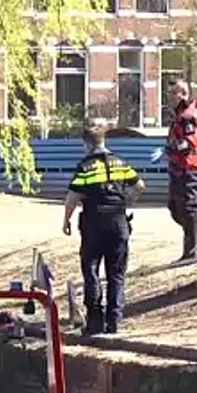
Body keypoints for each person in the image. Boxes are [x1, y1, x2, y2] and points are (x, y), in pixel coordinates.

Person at [63, 124, 145, 335]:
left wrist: (66, 220)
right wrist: (126, 201)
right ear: (103, 141)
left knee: (91, 271)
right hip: (119, 222)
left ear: (86, 144)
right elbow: (139, 186)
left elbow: (73, 197)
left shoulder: (85, 166)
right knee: (116, 274)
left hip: (93, 224)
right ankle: (114, 321)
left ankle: (95, 322)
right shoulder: (120, 162)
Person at [157, 79, 197, 261]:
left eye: (173, 93)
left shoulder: (189, 116)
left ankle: (191, 252)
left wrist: (168, 148)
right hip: (178, 168)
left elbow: (187, 144)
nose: (170, 97)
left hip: (191, 167)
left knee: (188, 208)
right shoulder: (180, 114)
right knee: (174, 208)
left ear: (183, 94)